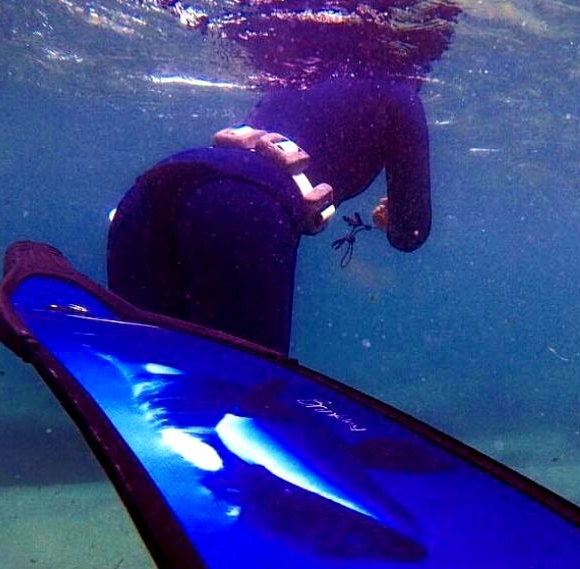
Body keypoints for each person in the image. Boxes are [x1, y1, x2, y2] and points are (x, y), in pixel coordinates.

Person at [107, 0, 460, 355]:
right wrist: (395, 219)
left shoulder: (296, 74)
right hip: (242, 212)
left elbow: (232, 172)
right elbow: (411, 234)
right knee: (242, 385)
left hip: (154, 190)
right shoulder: (399, 94)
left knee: (137, 371)